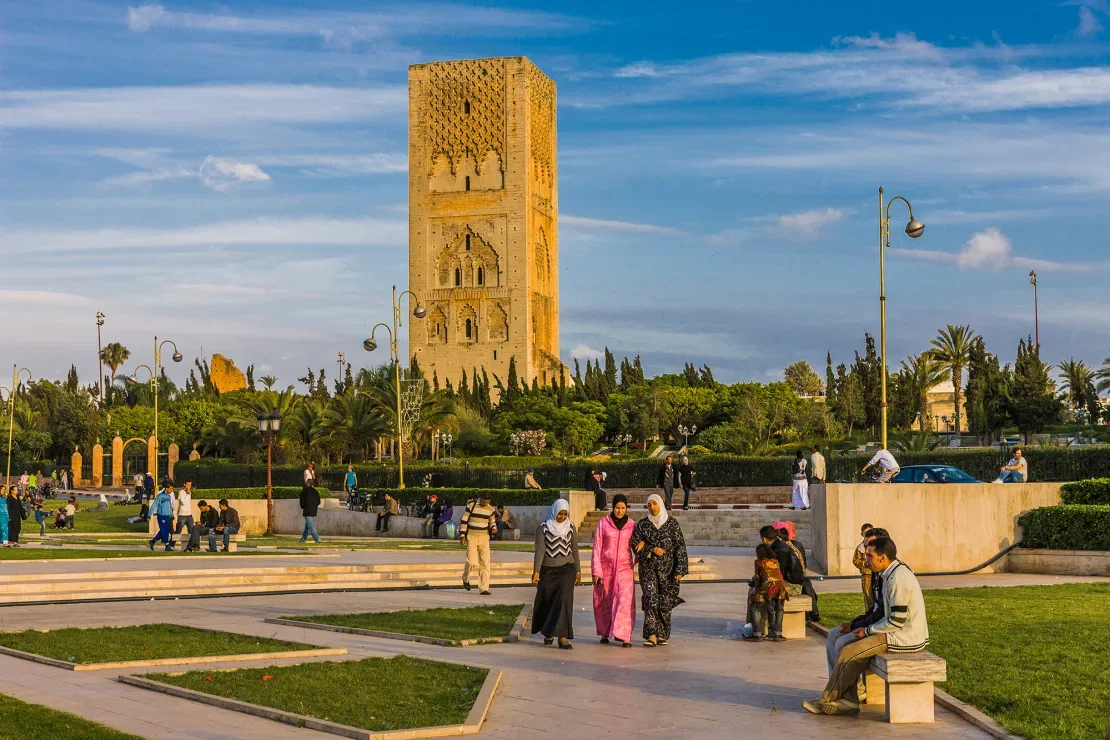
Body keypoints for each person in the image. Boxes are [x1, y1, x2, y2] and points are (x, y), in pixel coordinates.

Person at [804, 536, 929, 717]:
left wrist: (867, 631)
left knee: (849, 653)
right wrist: (859, 626)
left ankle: (826, 701)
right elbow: (879, 611)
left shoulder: (898, 579)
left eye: (869, 556)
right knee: (843, 644)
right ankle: (848, 700)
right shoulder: (888, 574)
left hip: (903, 637)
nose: (865, 559)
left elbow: (896, 621)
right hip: (889, 631)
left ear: (882, 557)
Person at [631, 493, 689, 647]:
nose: (652, 507)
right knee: (650, 598)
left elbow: (680, 547)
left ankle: (661, 634)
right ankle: (651, 634)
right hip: (649, 568)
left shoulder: (672, 523)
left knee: (665, 601)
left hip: (668, 571)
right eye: (649, 504)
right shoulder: (643, 524)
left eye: (654, 503)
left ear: (660, 504)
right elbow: (635, 545)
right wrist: (651, 548)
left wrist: (680, 570)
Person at [531, 499, 581, 649]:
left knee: (564, 602)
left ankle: (563, 637)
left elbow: (575, 549)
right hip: (548, 570)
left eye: (565, 514)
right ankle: (549, 632)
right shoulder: (543, 528)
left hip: (567, 569)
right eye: (560, 513)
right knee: (548, 601)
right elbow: (540, 551)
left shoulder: (570, 527)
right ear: (554, 511)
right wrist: (536, 571)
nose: (563, 516)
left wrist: (578, 570)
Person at [592, 493, 636, 647]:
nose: (620, 511)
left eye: (623, 508)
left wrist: (641, 550)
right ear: (613, 507)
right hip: (606, 568)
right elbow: (597, 548)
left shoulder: (631, 525)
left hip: (625, 568)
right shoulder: (603, 523)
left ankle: (623, 635)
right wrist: (596, 571)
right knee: (605, 601)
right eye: (617, 508)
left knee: (624, 600)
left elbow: (636, 546)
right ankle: (605, 632)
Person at [745, 543, 788, 642]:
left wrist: (755, 591)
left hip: (767, 587)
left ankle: (757, 634)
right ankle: (777, 634)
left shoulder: (758, 562)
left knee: (754, 607)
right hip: (780, 587)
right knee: (779, 610)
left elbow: (757, 579)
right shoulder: (775, 561)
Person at [460, 492, 496, 595]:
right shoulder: (472, 505)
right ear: (480, 498)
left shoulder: (491, 509)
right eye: (484, 502)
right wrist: (462, 535)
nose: (485, 504)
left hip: (484, 537)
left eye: (487, 502)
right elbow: (464, 520)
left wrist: (494, 528)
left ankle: (484, 588)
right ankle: (465, 578)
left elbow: (492, 521)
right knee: (472, 562)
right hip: (472, 536)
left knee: (485, 563)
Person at [853, 522, 875, 612]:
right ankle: (869, 615)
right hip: (867, 576)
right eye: (866, 533)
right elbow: (855, 561)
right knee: (869, 598)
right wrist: (864, 563)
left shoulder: (876, 546)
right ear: (862, 534)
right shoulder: (860, 548)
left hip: (877, 574)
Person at [148, 481, 176, 551]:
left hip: (167, 516)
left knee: (164, 531)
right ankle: (167, 545)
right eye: (170, 489)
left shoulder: (169, 496)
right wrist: (149, 515)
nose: (171, 490)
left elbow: (169, 507)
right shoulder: (160, 496)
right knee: (164, 531)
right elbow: (154, 505)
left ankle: (152, 541)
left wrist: (171, 515)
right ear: (166, 488)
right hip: (161, 516)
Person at [171, 481, 194, 547]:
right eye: (188, 484)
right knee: (178, 531)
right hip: (182, 515)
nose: (189, 486)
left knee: (191, 531)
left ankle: (191, 545)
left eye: (190, 485)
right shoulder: (181, 492)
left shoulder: (189, 493)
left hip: (189, 514)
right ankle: (171, 545)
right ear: (184, 484)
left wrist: (189, 493)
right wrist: (188, 494)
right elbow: (183, 502)